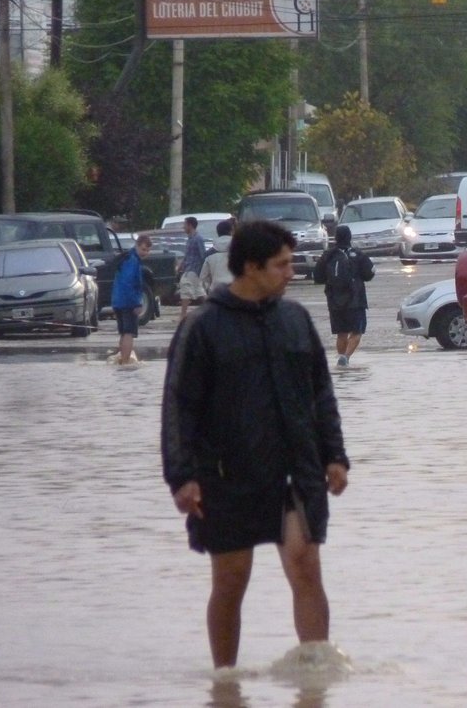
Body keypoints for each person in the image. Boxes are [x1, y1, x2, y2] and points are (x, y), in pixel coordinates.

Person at [161, 220, 350, 669]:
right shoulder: (203, 327)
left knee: (306, 568)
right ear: (250, 267)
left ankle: (314, 680)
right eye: (282, 265)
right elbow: (179, 407)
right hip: (226, 477)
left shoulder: (295, 319)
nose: (291, 273)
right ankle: (225, 682)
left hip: (296, 473)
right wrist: (182, 477)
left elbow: (321, 393)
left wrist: (335, 456)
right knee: (231, 581)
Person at [312, 225, 375, 367]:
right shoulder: (358, 254)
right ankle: (346, 357)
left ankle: (341, 360)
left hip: (334, 300)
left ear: (336, 237)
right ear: (350, 237)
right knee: (357, 332)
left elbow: (317, 277)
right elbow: (369, 274)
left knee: (341, 333)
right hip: (356, 300)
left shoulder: (328, 255)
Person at [111, 234, 152, 366]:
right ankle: (126, 363)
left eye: (148, 250)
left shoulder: (126, 258)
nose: (146, 253)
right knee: (129, 333)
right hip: (127, 302)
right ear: (137, 246)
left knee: (123, 333)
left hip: (118, 300)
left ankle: (122, 360)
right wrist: (137, 303)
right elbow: (129, 283)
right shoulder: (132, 260)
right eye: (143, 249)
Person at [177, 216, 206, 319]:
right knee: (199, 291)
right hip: (188, 268)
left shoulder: (198, 239)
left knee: (185, 288)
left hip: (194, 270)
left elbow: (203, 255)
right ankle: (210, 309)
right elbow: (187, 255)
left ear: (190, 225)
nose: (183, 227)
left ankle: (183, 314)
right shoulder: (189, 239)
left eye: (184, 224)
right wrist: (180, 266)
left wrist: (202, 271)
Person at [199, 219, 235, 294]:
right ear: (231, 231)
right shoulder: (241, 251)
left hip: (216, 292)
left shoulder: (209, 254)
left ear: (217, 232)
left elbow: (203, 277)